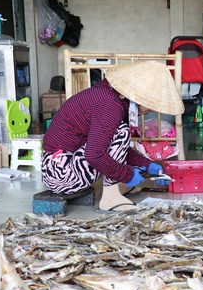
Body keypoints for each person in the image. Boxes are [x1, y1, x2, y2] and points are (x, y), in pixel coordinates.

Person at [41, 61, 184, 212]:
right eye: (151, 102)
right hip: (61, 175)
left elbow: (111, 145)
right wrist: (127, 174)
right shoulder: (110, 105)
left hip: (57, 167)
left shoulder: (107, 96)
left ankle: (115, 189)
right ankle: (110, 197)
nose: (151, 109)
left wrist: (148, 165)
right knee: (122, 131)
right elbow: (94, 155)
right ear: (138, 95)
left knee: (119, 133)